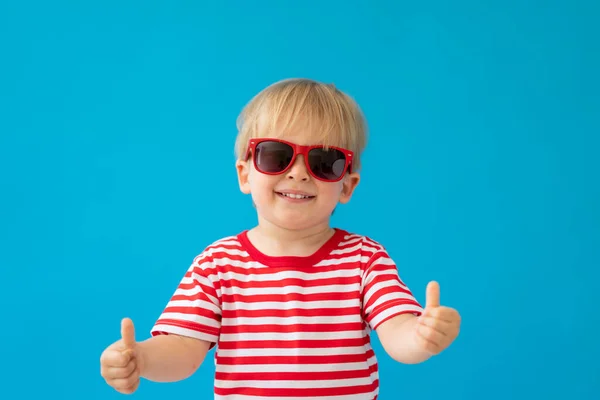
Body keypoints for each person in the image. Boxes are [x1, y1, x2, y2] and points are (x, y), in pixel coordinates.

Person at [99, 78, 461, 399]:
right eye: (277, 156)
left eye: (325, 161)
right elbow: (181, 349)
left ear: (347, 185)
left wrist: (421, 335)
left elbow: (397, 332)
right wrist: (142, 359)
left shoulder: (365, 260)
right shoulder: (218, 264)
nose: (300, 173)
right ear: (245, 175)